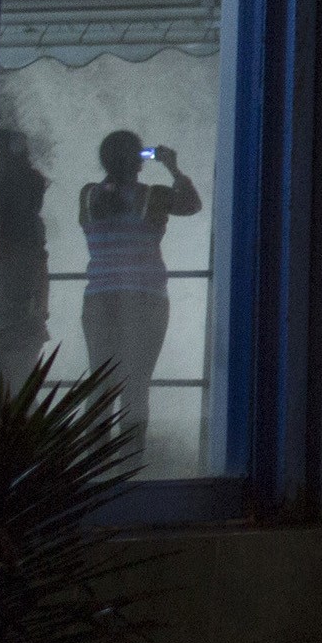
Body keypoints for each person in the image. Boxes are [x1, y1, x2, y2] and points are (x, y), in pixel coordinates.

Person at [78, 130, 201, 462]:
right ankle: (129, 461)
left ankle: (95, 461)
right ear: (139, 161)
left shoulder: (88, 196)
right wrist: (172, 167)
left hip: (99, 299)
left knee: (101, 382)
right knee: (136, 384)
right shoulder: (154, 196)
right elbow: (193, 204)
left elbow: (106, 203)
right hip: (145, 298)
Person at [0, 128, 52, 377]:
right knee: (18, 395)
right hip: (27, 319)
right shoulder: (34, 224)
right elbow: (40, 265)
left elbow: (0, 254)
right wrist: (43, 310)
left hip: (0, 319)